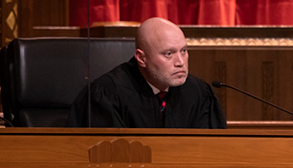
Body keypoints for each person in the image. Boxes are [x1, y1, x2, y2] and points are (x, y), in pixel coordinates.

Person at [67, 17, 227, 128]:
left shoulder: (199, 92)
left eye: (184, 51)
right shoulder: (107, 95)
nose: (180, 62)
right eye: (169, 54)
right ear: (141, 58)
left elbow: (212, 152)